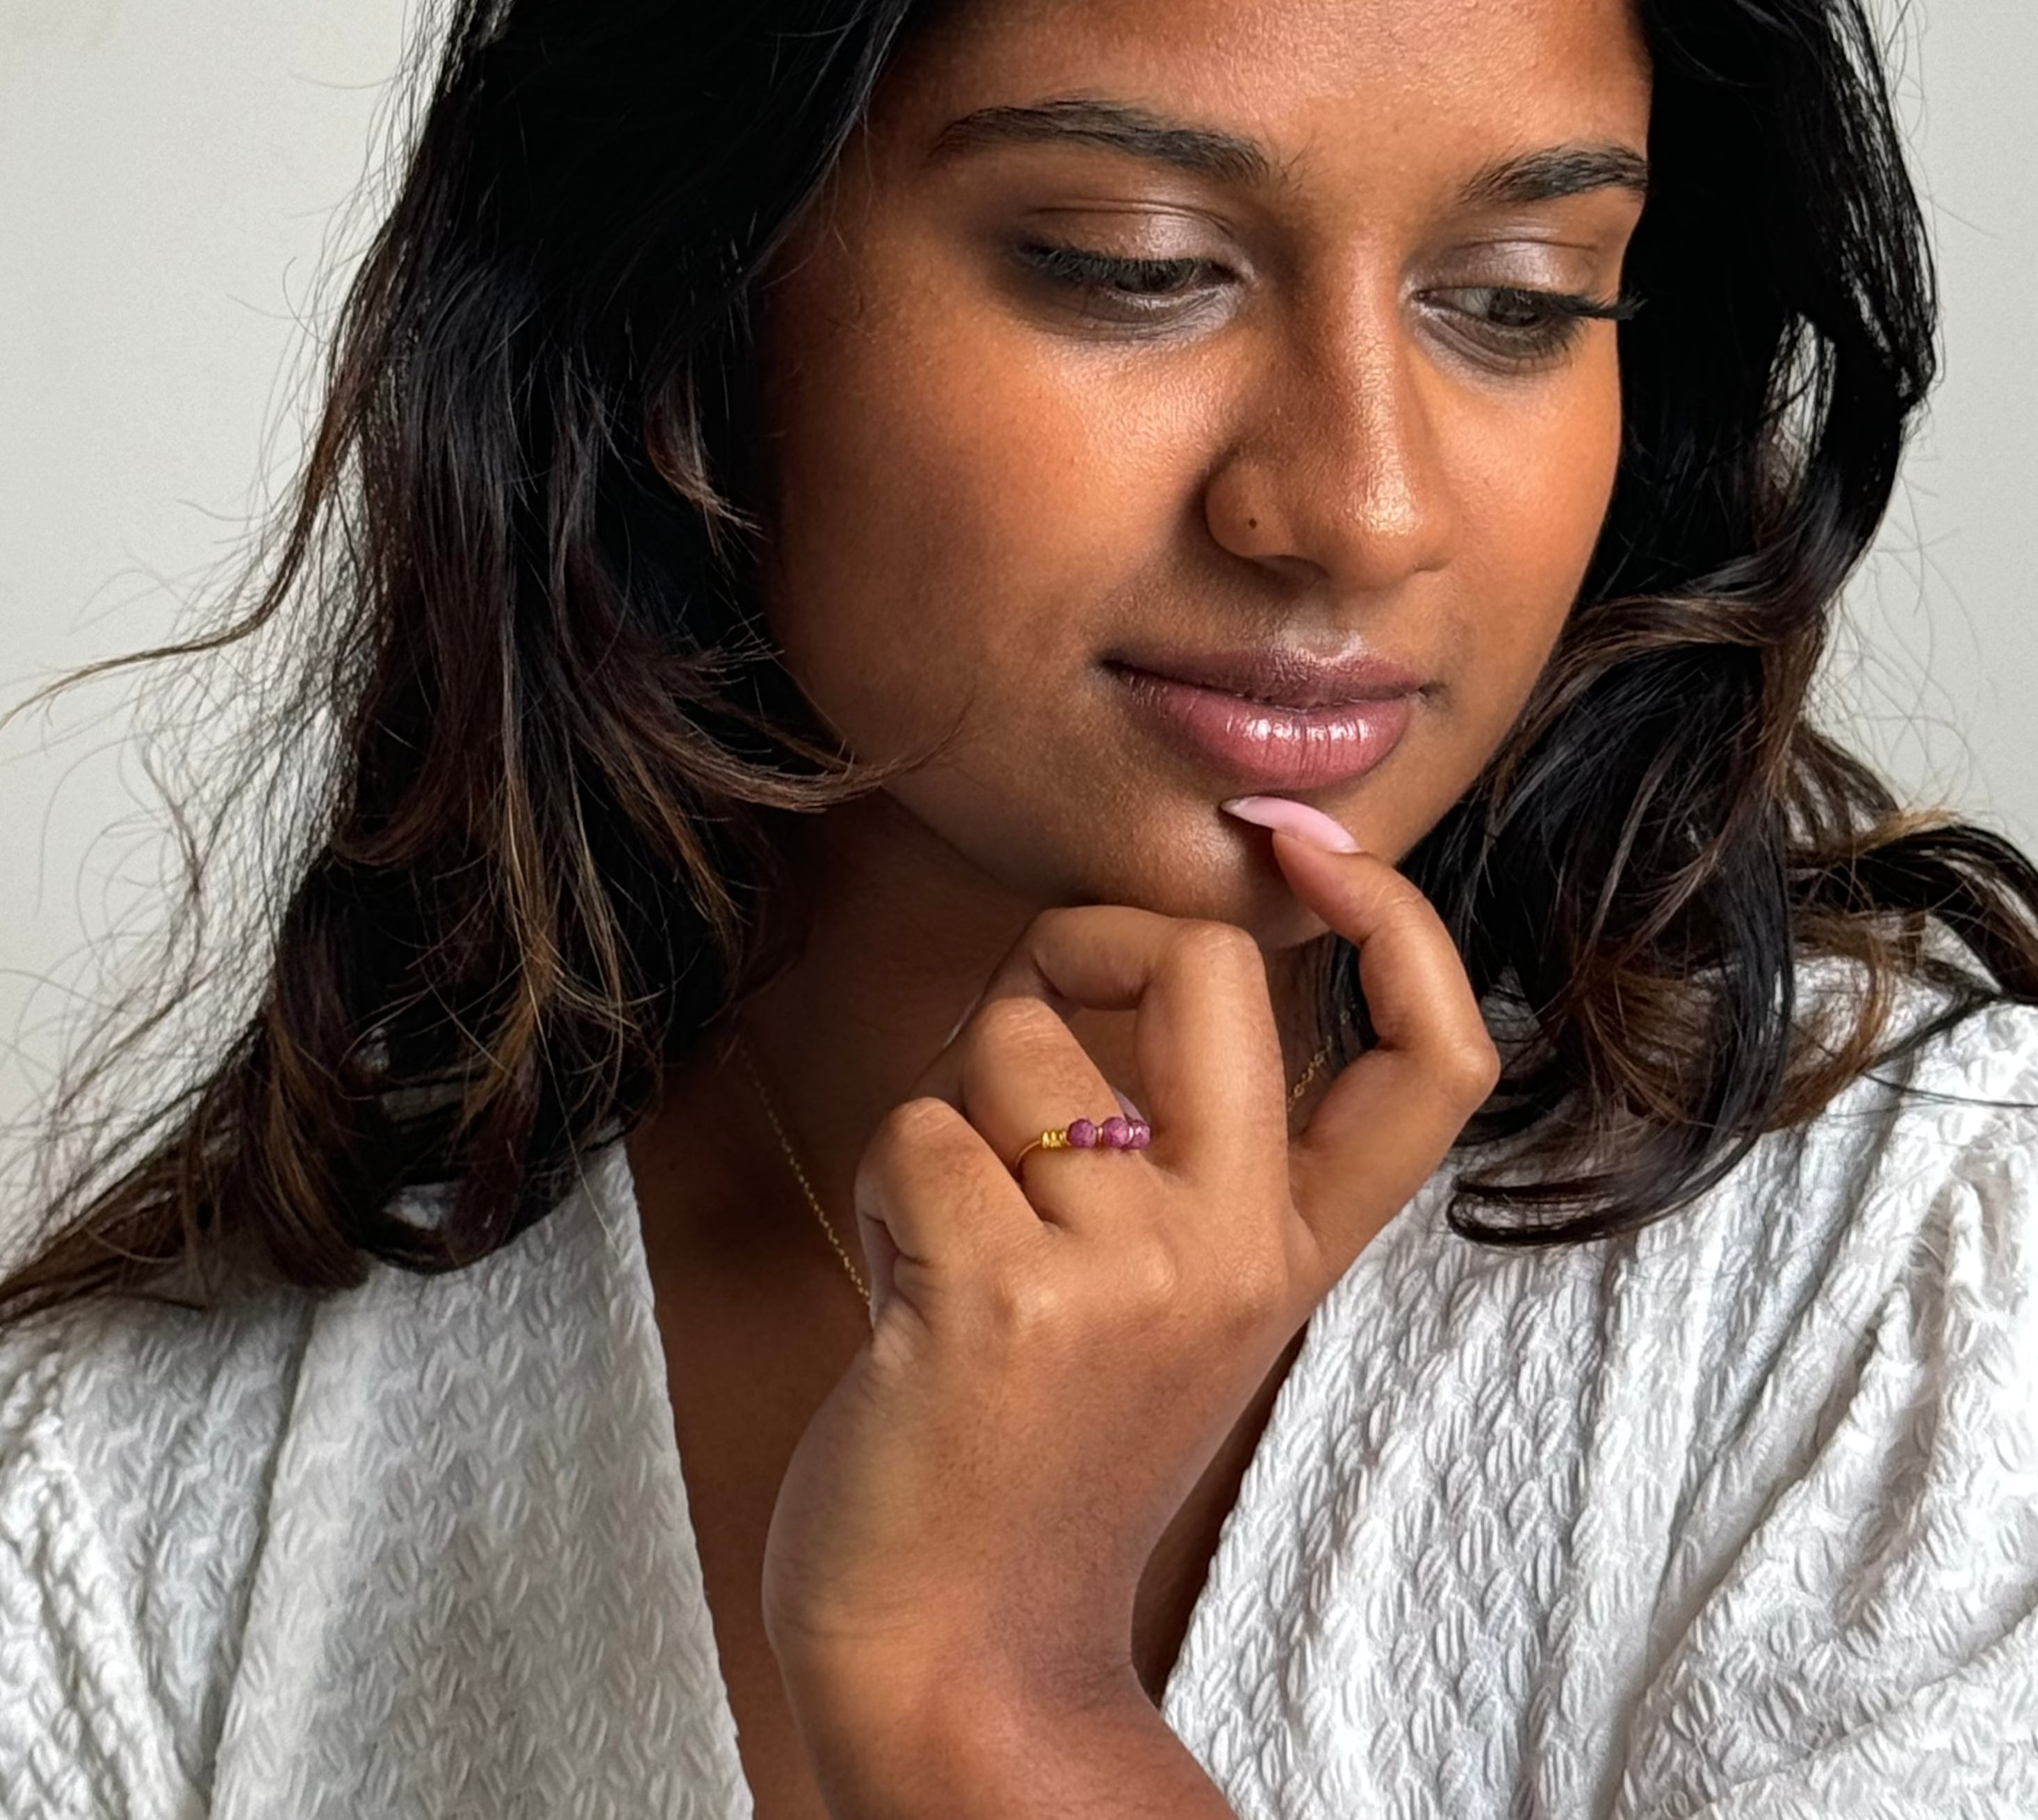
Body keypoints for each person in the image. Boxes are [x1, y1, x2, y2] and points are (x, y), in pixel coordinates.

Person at [3, 0, 2036, 1814]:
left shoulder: (1925, 1290)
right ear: (675, 298)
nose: (1360, 503)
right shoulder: (123, 1516)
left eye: (1513, 297)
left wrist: (998, 1700)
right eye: (1128, 268)